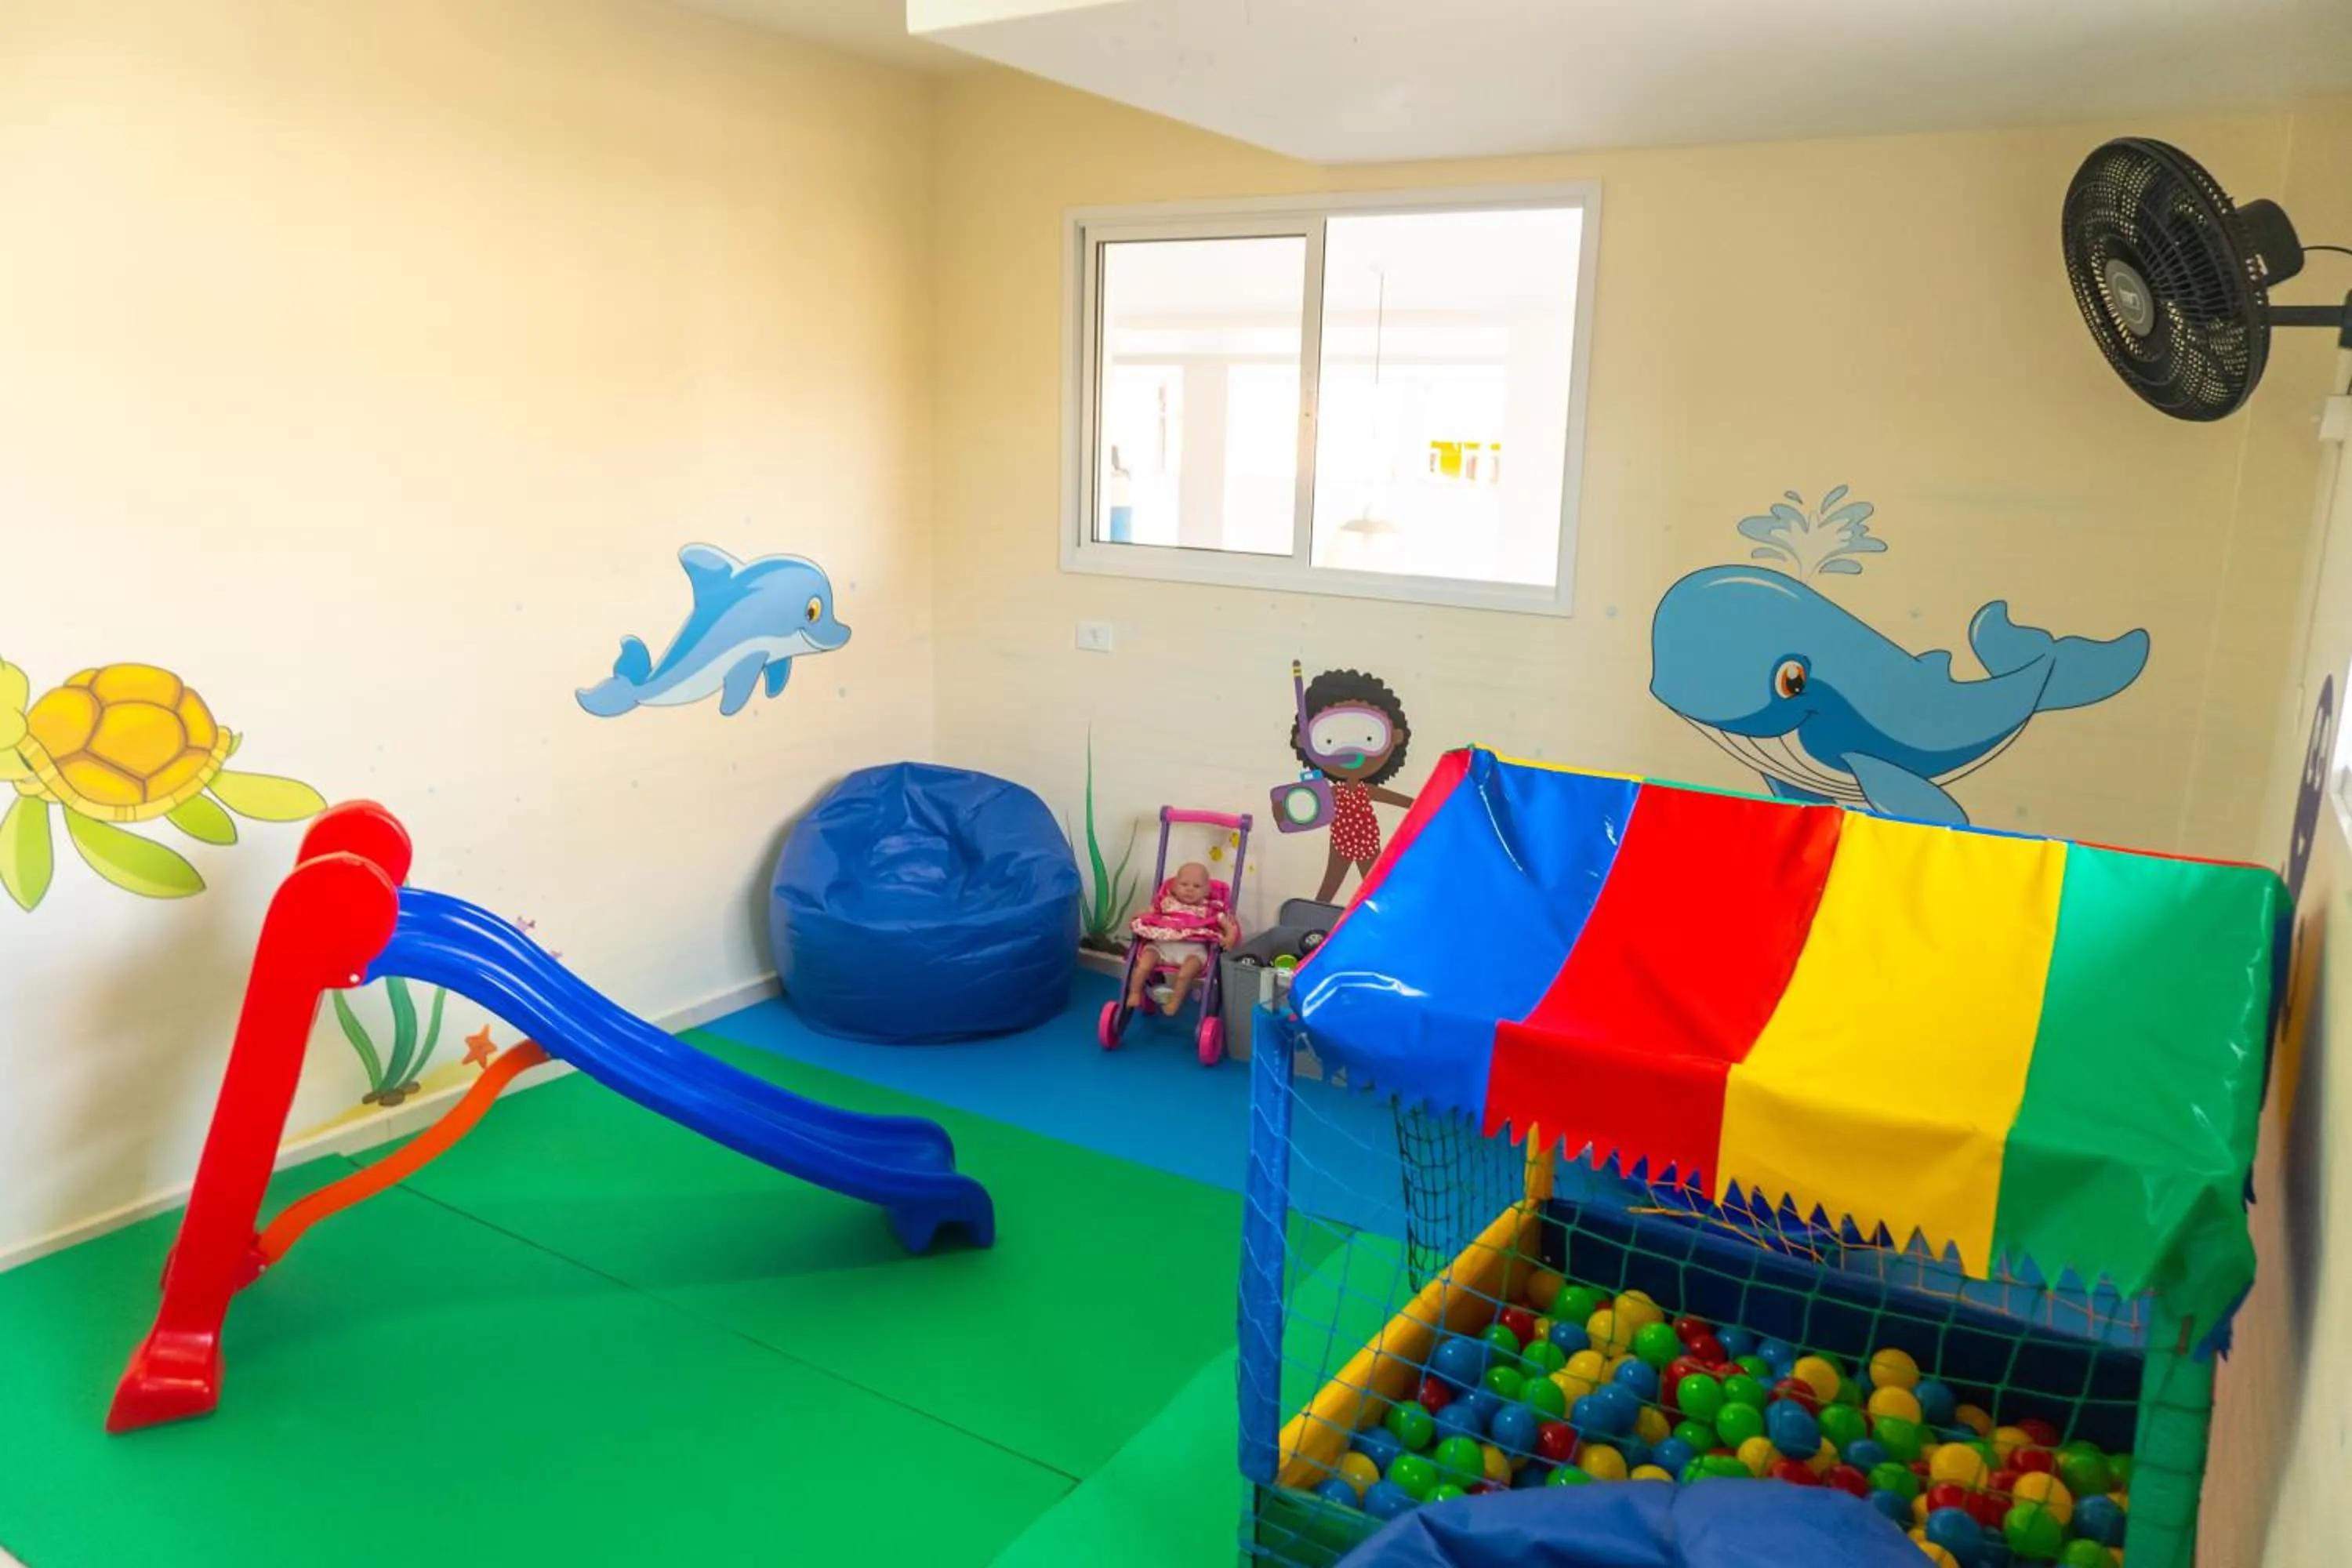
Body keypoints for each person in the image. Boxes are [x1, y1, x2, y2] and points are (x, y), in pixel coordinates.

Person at [1292, 669, 1414, 902]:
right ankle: (1315, 917)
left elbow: (1392, 798)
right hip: (1341, 840)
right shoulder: (1332, 793)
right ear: (1304, 742)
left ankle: (1380, 919)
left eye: (1370, 738)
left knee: (1376, 884)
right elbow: (1305, 809)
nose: (1350, 752)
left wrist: (1419, 804)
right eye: (1327, 741)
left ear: (1396, 736)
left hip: (1366, 840)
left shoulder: (1361, 790)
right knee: (1333, 884)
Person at [1126, 861, 1240, 1015]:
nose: (1189, 889)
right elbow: (1150, 913)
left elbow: (1228, 925)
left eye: (1197, 886)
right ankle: (1135, 992)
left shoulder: (1210, 908)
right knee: (1144, 963)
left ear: (1207, 890)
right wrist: (1139, 915)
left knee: (1185, 974)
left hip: (1193, 953)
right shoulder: (1167, 902)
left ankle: (1176, 1001)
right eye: (1184, 884)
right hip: (1161, 948)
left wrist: (1230, 938)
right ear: (1173, 886)